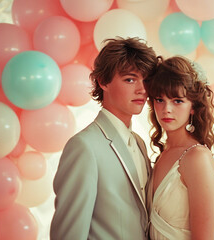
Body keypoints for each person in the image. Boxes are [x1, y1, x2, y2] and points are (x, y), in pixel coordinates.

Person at [50, 37, 158, 240]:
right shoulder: (84, 147)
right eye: (130, 79)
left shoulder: (139, 143)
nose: (142, 89)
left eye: (146, 80)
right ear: (103, 81)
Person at [145, 56, 214, 240]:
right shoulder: (164, 154)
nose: (166, 109)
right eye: (159, 99)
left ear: (193, 107)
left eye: (177, 101)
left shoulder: (197, 157)